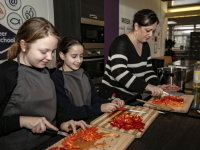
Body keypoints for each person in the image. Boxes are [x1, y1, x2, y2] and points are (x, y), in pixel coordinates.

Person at [0, 17, 88, 150]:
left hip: (52, 144)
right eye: (43, 51)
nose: (50, 57)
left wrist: (63, 121)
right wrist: (22, 121)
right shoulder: (7, 73)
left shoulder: (45, 71)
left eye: (53, 51)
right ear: (24, 45)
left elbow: (54, 105)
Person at [99, 9, 180, 101]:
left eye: (153, 31)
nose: (150, 35)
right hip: (112, 96)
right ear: (136, 26)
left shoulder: (145, 46)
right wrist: (148, 86)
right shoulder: (121, 43)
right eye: (148, 30)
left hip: (131, 95)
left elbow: (148, 71)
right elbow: (119, 72)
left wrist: (158, 86)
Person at [51, 37, 125, 120]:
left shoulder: (84, 74)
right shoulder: (56, 78)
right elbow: (68, 110)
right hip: (72, 125)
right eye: (74, 56)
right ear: (62, 55)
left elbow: (94, 99)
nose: (79, 60)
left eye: (81, 56)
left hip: (89, 121)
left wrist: (111, 102)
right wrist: (100, 108)